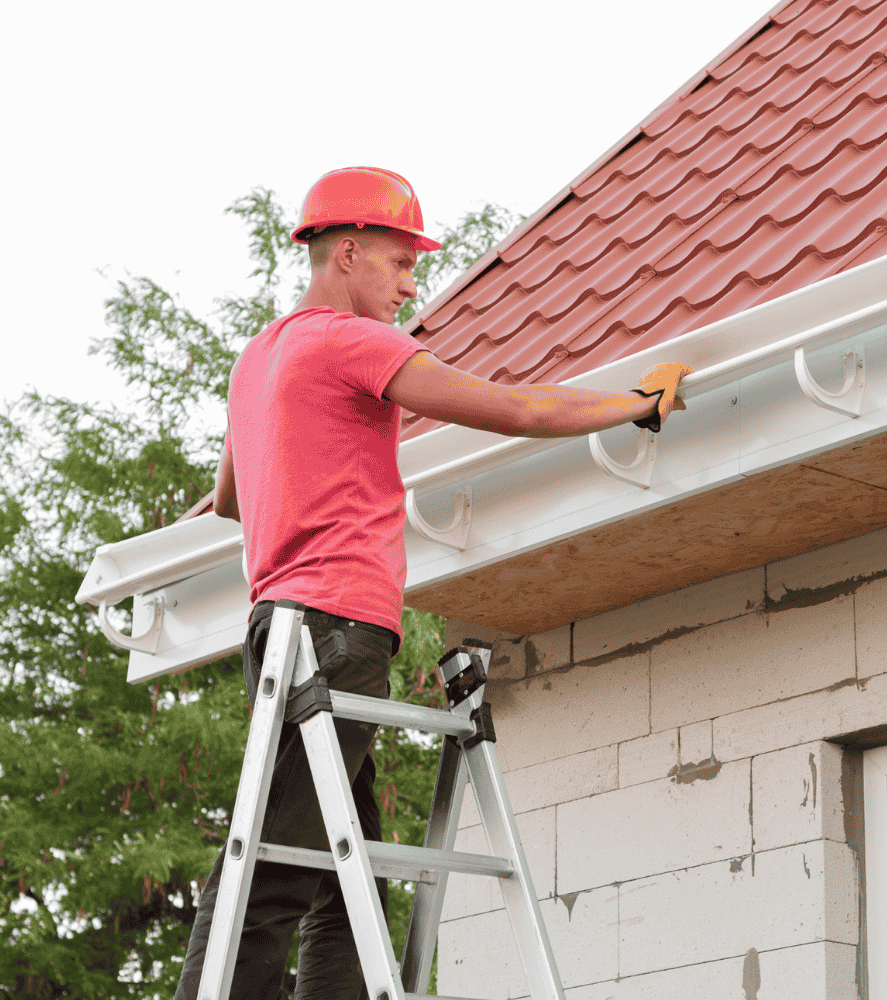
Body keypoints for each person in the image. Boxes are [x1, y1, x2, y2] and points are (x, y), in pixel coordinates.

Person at [173, 166, 692, 1000]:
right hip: (336, 632)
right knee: (269, 871)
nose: (410, 287)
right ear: (349, 252)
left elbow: (232, 500)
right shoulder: (351, 343)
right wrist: (634, 405)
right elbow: (514, 410)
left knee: (346, 881)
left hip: (279, 634)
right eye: (402, 264)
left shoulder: (258, 357)